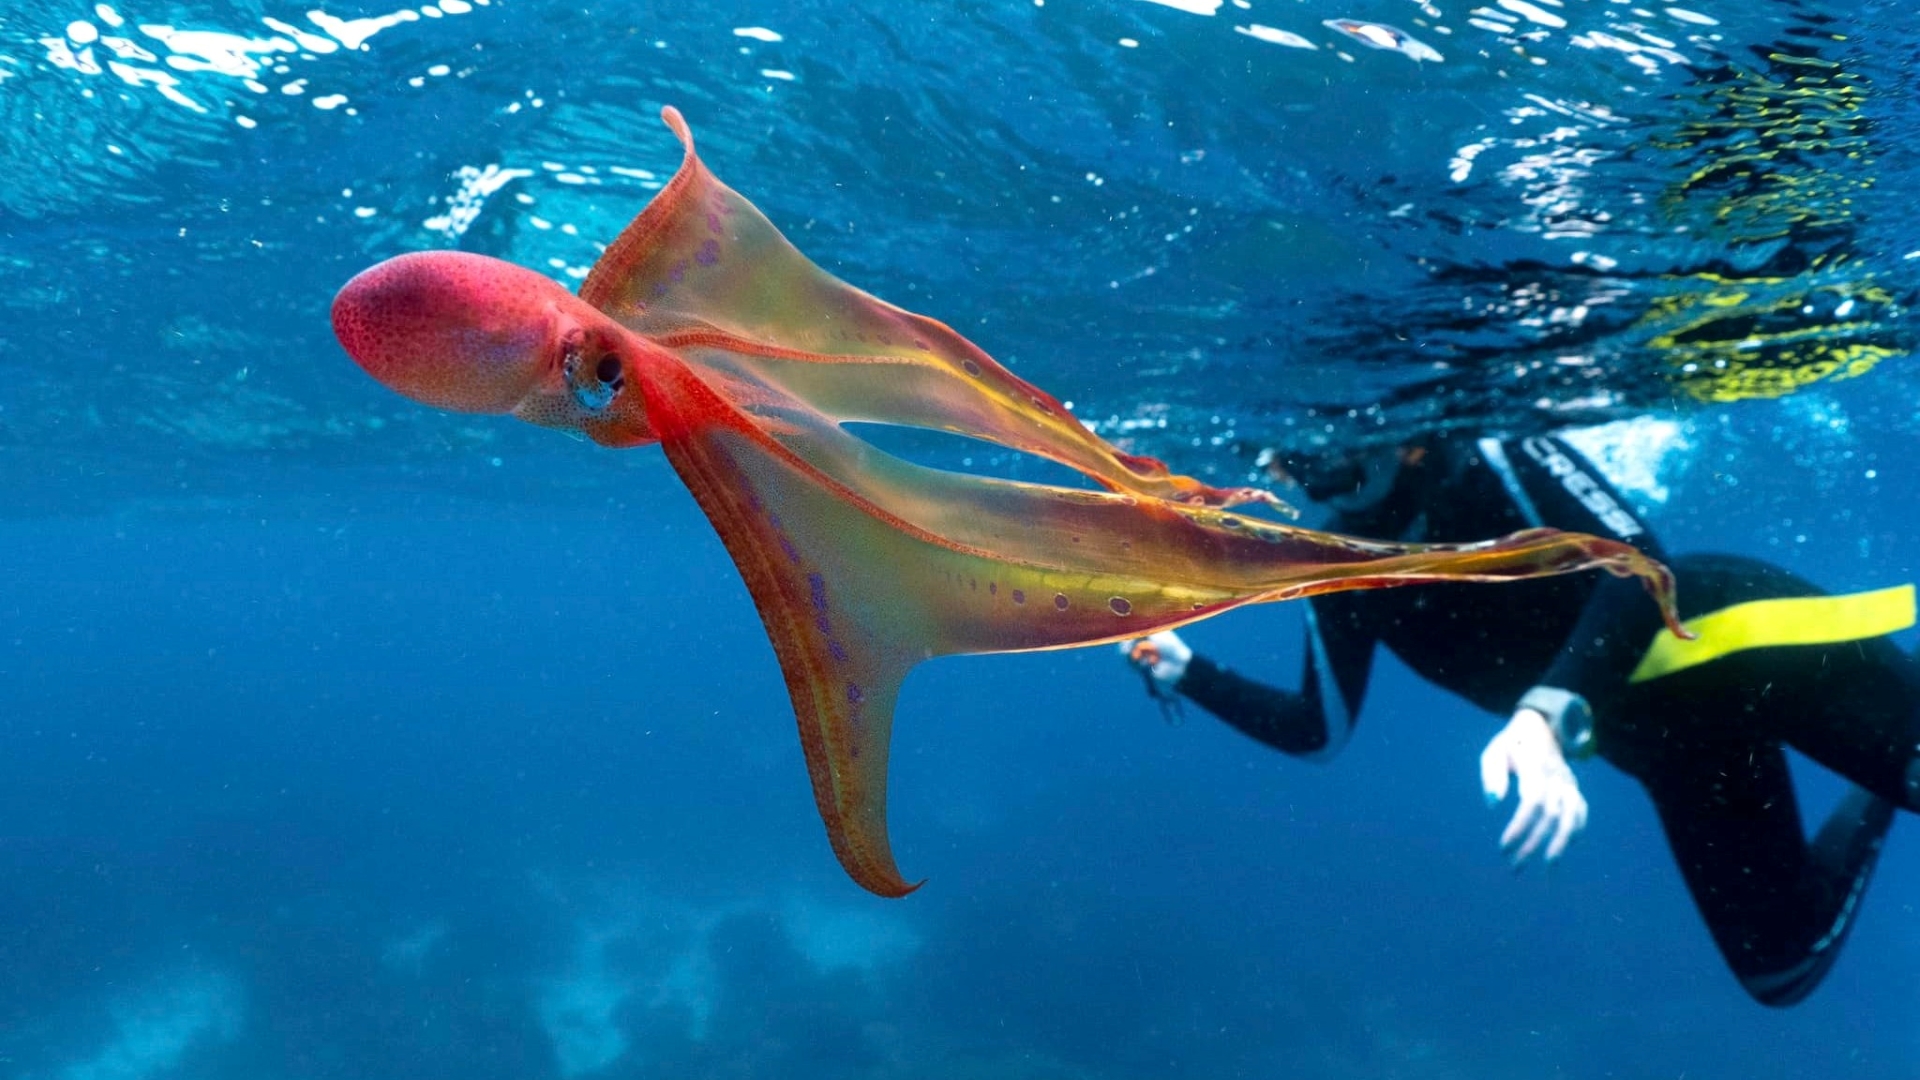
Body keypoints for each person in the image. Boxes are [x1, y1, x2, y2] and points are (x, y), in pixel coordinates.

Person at [1121, 431, 1918, 1007]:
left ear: (1406, 442)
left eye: (1326, 453)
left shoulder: (1502, 450)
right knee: (1777, 966)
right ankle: (1879, 789)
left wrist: (1543, 716)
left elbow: (1638, 560)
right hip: (1672, 745)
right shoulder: (1338, 574)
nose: (1313, 478)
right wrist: (1190, 671)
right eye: (1292, 465)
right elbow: (1316, 729)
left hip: (1758, 643)